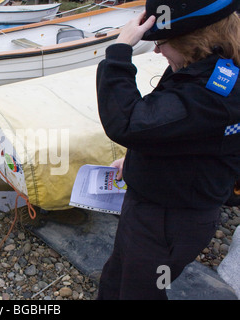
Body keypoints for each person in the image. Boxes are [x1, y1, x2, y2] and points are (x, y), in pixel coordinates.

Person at [95, 0, 240, 299]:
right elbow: (174, 131)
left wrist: (120, 51)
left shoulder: (213, 93)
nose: (158, 50)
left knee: (142, 291)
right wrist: (139, 157)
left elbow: (130, 123)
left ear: (194, 39)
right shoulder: (201, 67)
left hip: (171, 219)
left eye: (160, 42)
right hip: (152, 202)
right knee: (115, 279)